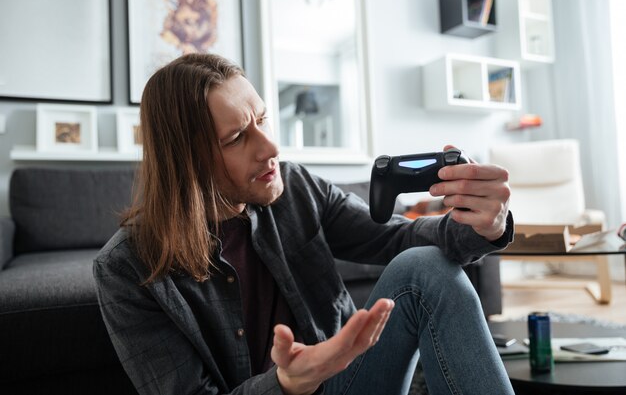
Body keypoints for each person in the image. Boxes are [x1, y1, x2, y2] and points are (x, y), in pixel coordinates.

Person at [93, 53, 515, 395]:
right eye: (237, 137)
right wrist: (286, 383)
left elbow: (394, 239)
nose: (270, 147)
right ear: (186, 162)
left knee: (422, 266)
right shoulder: (126, 267)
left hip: (348, 381)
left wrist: (484, 224)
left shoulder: (293, 186)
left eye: (262, 119)